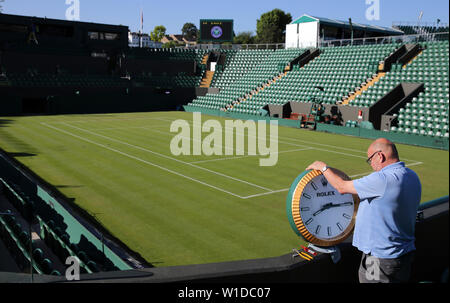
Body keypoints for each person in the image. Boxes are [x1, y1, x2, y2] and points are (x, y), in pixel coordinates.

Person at [306, 138, 422, 283]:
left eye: (370, 159)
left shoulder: (383, 179)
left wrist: (323, 167)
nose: (371, 165)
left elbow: (341, 187)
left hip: (379, 258)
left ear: (380, 156)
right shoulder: (412, 176)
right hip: (403, 254)